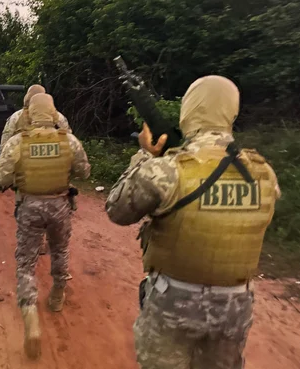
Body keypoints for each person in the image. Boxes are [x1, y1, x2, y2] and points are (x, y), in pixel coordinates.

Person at [105, 76, 280, 369]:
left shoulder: (168, 170)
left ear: (189, 110)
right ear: (230, 113)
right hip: (235, 306)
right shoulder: (263, 173)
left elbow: (117, 210)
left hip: (174, 300)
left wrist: (144, 156)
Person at [0, 93, 91, 360]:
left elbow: (1, 176)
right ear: (52, 113)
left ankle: (30, 318)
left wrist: (18, 177)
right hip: (60, 204)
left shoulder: (18, 142)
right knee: (60, 250)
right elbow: (84, 172)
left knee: (26, 262)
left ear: (30, 113)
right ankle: (58, 294)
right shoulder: (69, 141)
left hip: (29, 206)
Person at [0, 84, 74, 261]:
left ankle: (34, 242)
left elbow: (5, 145)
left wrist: (10, 172)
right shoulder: (59, 118)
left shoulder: (15, 118)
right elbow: (70, 143)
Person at [0, 84, 71, 153]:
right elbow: (69, 140)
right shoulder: (58, 116)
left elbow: (5, 144)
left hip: (24, 160)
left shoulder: (16, 117)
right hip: (54, 159)